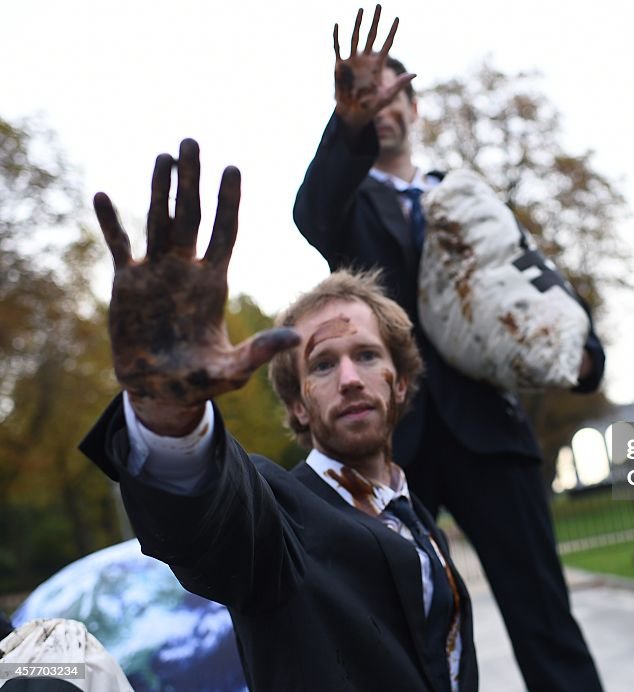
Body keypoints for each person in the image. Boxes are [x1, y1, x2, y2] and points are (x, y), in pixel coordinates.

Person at [79, 139, 477, 691]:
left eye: (366, 355)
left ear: (401, 380)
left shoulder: (419, 522)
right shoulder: (277, 519)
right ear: (297, 403)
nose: (349, 378)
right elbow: (207, 515)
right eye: (321, 365)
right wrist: (169, 409)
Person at [293, 6, 605, 690]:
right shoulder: (346, 206)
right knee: (410, 626)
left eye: (394, 93)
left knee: (546, 622)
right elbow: (311, 211)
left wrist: (587, 353)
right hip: (393, 446)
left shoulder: (467, 198)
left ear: (415, 104)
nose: (383, 107)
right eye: (368, 98)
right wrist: (345, 125)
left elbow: (532, 273)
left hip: (492, 434)